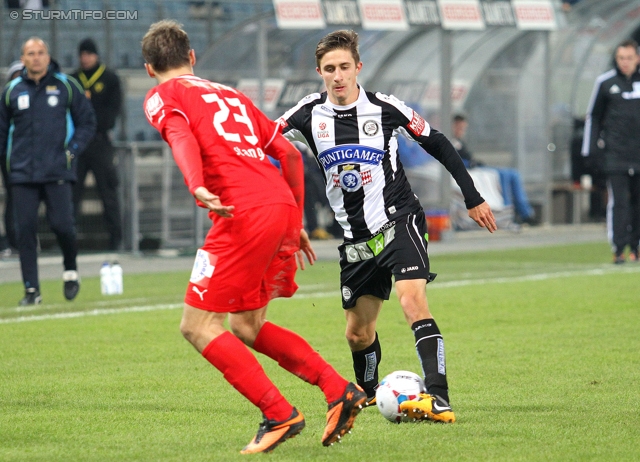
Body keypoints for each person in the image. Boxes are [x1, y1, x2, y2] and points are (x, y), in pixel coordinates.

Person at [141, 20, 366, 454]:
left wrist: (196, 185)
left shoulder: (162, 95)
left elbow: (180, 134)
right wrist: (296, 220)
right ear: (192, 58)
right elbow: (288, 154)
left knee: (198, 325)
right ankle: (338, 389)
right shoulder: (231, 94)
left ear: (150, 69)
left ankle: (278, 412)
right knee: (247, 324)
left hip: (241, 212)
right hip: (278, 204)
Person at [278, 30, 497, 423]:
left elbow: (440, 143)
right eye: (330, 69)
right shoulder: (308, 113)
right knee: (357, 334)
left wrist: (473, 196)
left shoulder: (385, 108)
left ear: (358, 68)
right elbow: (260, 141)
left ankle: (440, 397)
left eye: (345, 67)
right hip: (355, 238)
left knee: (412, 301)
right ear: (320, 72)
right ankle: (366, 393)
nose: (338, 75)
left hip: (398, 219)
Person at [0, 37, 96, 305]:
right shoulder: (12, 91)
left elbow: (87, 122)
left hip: (57, 171)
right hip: (22, 174)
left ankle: (70, 271)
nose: (36, 58)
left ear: (48, 55)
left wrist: (72, 150)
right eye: (30, 53)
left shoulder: (65, 85)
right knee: (25, 232)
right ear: (23, 58)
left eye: (40, 52)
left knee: (63, 226)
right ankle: (32, 290)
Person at [583, 39, 640, 264]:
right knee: (619, 203)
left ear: (637, 58)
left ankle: (636, 246)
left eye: (628, 58)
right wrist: (590, 151)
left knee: (638, 203)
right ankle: (619, 248)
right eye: (620, 58)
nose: (624, 63)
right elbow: (593, 117)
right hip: (615, 155)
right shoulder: (606, 83)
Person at [71, 38, 123, 251]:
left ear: (96, 55)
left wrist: (93, 124)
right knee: (72, 192)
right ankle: (68, 240)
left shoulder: (110, 79)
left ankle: (116, 240)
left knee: (107, 192)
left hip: (100, 142)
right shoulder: (73, 80)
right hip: (78, 144)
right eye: (82, 54)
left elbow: (112, 114)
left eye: (88, 54)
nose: (85, 58)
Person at [452, 114, 536, 225]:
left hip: (476, 167)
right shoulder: (448, 141)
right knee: (503, 176)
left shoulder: (459, 142)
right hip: (471, 169)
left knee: (513, 174)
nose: (461, 131)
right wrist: (468, 163)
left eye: (463, 128)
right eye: (459, 128)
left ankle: (526, 213)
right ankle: (507, 212)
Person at [0, 60, 23, 259]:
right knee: (13, 199)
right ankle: (10, 241)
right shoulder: (6, 101)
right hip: (9, 158)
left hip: (29, 158)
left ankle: (26, 241)